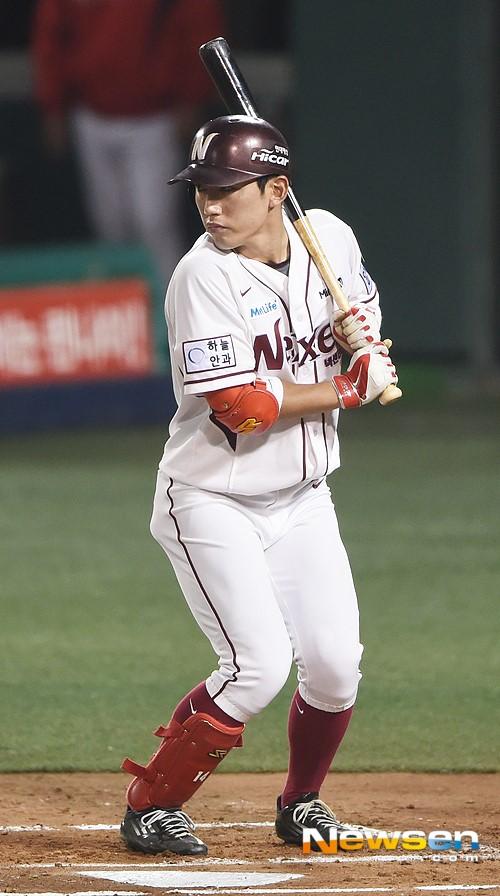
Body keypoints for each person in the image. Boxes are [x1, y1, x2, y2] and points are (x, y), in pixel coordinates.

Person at [120, 115, 398, 856]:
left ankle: (301, 803)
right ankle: (151, 805)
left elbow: (361, 325)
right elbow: (240, 407)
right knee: (258, 668)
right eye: (202, 191)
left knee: (335, 667)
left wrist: (360, 338)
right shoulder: (201, 275)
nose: (210, 207)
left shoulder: (329, 239)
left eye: (227, 191)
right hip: (210, 498)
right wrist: (345, 388)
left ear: (277, 191)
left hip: (303, 497)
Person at [32, 0, 226, 286]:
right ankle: (122, 305)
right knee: (110, 227)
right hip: (92, 113)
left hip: (154, 117)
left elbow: (199, 25)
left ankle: (172, 308)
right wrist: (53, 106)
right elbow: (50, 34)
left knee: (153, 223)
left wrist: (191, 97)